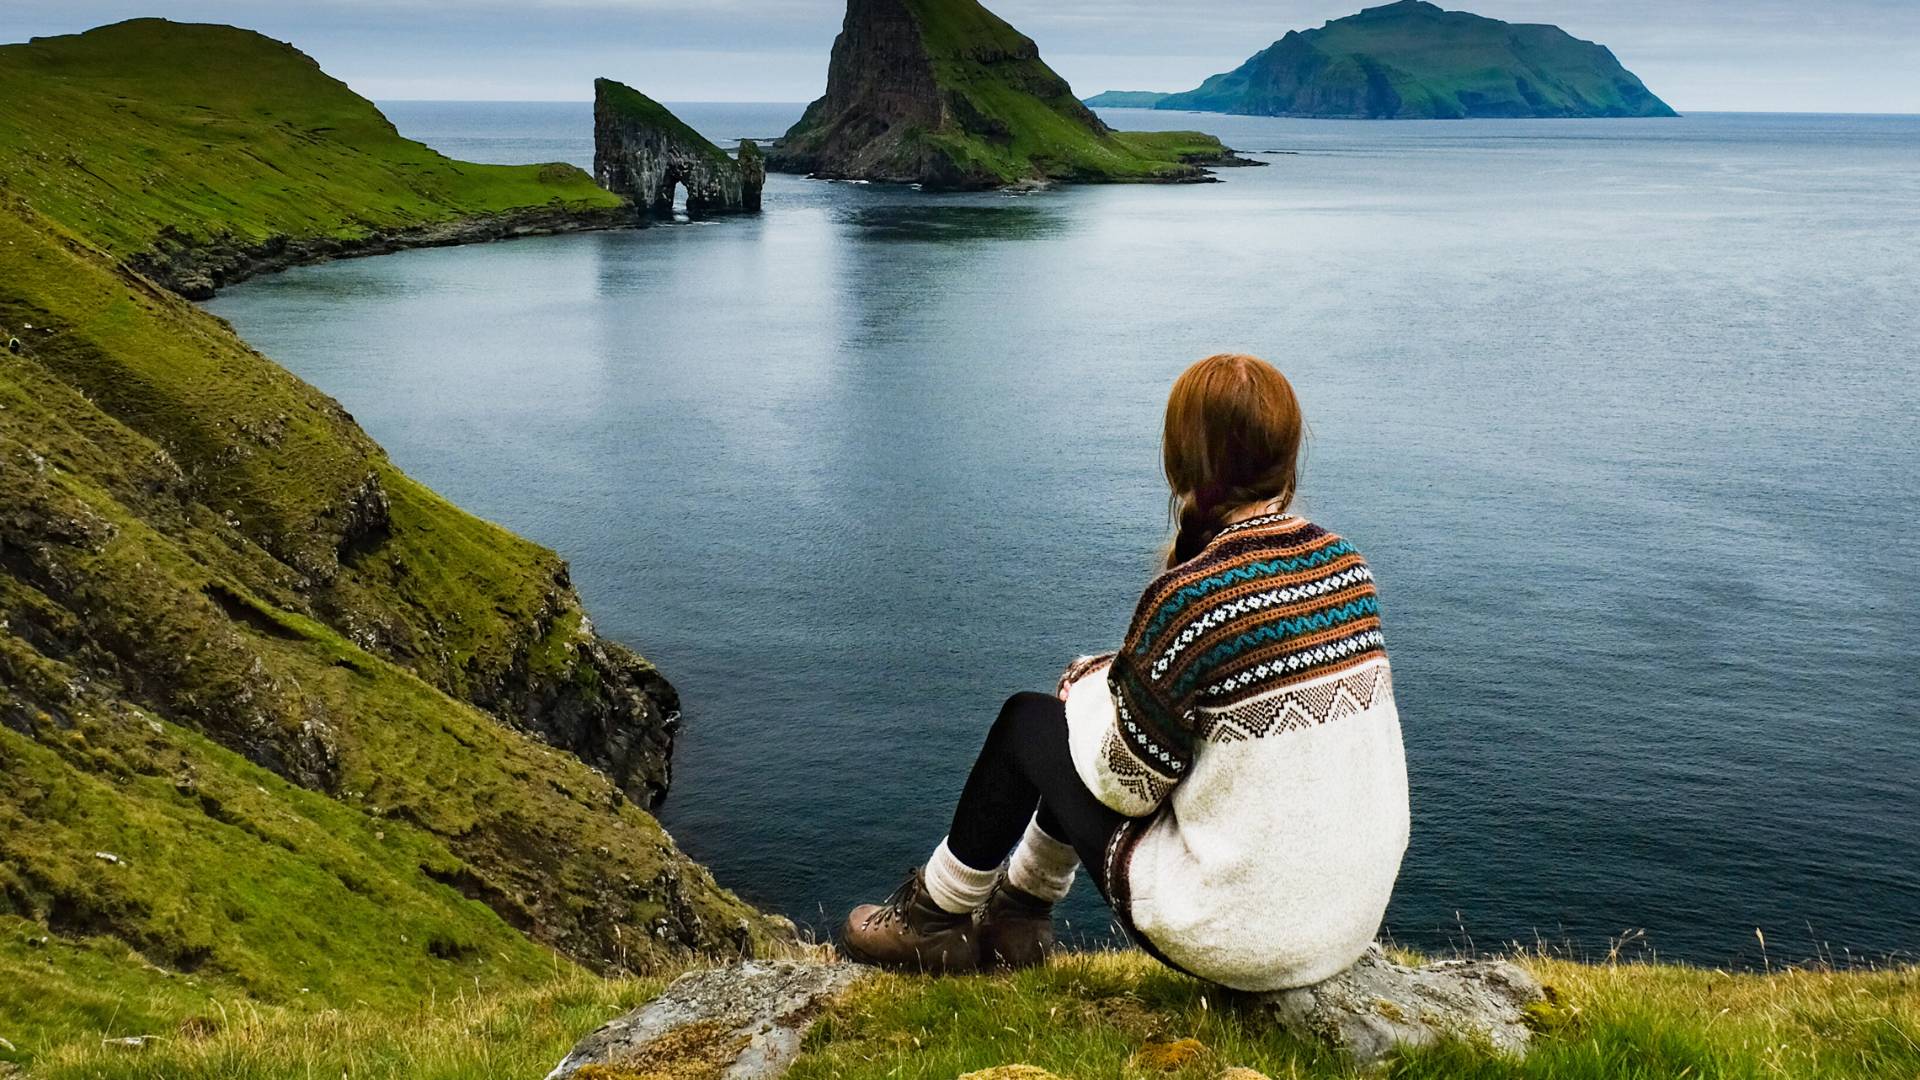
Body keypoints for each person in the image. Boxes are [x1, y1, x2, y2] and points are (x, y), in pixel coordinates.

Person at [839, 353, 1410, 992]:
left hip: (1241, 934)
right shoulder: (1346, 566)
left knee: (1031, 723)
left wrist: (1085, 686)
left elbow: (1125, 786)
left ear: (1179, 462)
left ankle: (931, 919)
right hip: (1344, 924)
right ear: (1287, 455)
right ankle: (1019, 917)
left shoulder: (1192, 596)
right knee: (1099, 727)